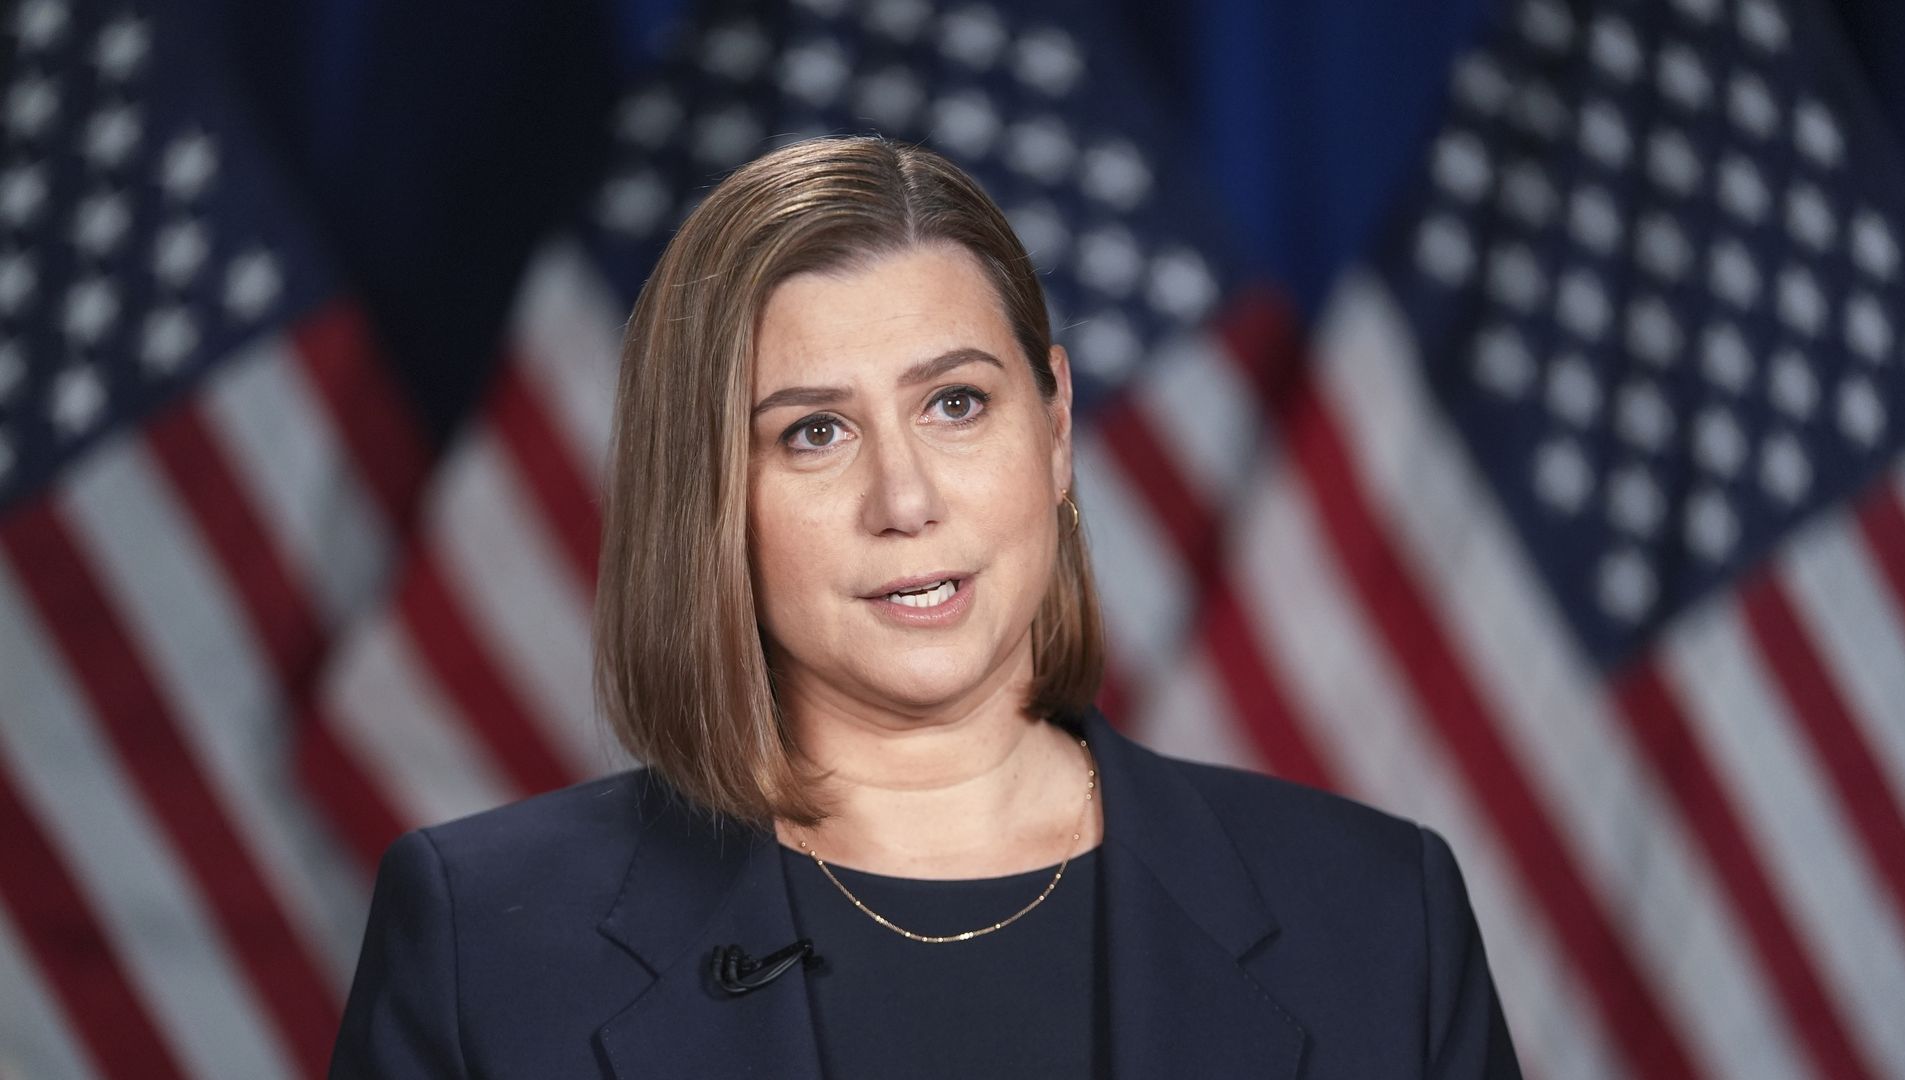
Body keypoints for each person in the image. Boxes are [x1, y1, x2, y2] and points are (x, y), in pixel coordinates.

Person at [330, 135, 1522, 1079]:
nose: (903, 499)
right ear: (704, 500)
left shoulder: (1375, 918)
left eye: (955, 405)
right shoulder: (486, 944)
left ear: (1052, 428)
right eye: (813, 432)